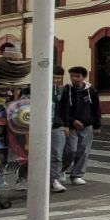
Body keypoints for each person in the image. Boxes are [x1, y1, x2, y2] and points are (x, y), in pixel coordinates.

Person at [62, 66, 101, 185]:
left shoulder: (91, 91)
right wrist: (71, 121)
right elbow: (63, 109)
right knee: (71, 150)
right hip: (71, 125)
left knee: (83, 151)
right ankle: (60, 170)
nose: (74, 78)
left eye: (78, 76)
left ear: (83, 77)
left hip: (87, 124)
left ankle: (77, 175)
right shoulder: (66, 90)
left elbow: (96, 108)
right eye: (72, 76)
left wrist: (97, 125)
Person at [50, 65, 69, 194]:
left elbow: (65, 109)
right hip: (39, 125)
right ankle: (22, 176)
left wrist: (66, 125)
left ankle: (54, 179)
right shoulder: (35, 88)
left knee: (57, 154)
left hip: (58, 125)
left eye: (58, 78)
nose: (56, 80)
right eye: (54, 77)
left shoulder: (62, 91)